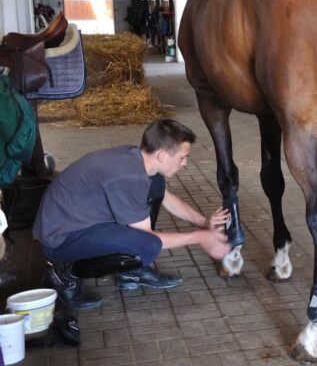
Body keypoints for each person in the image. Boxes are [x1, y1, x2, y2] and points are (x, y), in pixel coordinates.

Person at [33, 119, 231, 310]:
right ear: (162, 156)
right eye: (182, 157)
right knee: (147, 246)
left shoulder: (136, 158)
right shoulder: (129, 177)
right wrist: (200, 237)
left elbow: (165, 197)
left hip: (76, 221)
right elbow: (149, 237)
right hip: (59, 239)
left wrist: (202, 222)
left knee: (156, 184)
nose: (185, 163)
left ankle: (131, 272)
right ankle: (63, 276)